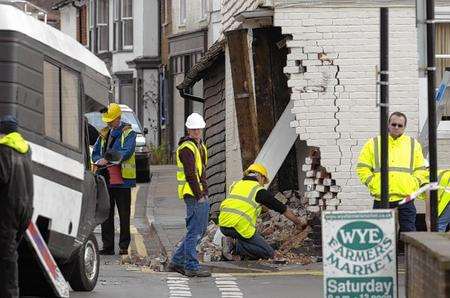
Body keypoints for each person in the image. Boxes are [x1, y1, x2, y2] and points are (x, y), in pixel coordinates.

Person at [357, 112, 428, 233]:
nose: (396, 127)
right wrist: (373, 184)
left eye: (400, 125)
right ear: (388, 125)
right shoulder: (374, 143)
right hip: (382, 196)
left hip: (406, 196)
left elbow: (421, 169)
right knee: (379, 233)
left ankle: (406, 253)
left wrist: (414, 184)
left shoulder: (413, 144)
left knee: (409, 232)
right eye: (393, 124)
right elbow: (362, 168)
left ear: (404, 127)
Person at [218, 163, 304, 261]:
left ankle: (231, 244)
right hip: (240, 227)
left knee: (250, 241)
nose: (263, 183)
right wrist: (298, 223)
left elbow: (244, 204)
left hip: (224, 225)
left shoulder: (236, 186)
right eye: (264, 180)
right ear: (261, 177)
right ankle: (236, 246)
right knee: (269, 253)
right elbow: (283, 209)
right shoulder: (258, 190)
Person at [167, 113, 210, 277]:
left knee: (200, 229)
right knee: (195, 231)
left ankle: (177, 262)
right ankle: (191, 266)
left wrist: (204, 192)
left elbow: (202, 172)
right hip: (193, 194)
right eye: (194, 129)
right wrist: (200, 195)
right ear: (189, 129)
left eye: (199, 128)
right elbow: (191, 174)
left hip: (200, 193)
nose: (197, 131)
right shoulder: (186, 148)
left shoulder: (199, 145)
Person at [92, 103, 136, 255]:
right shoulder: (104, 133)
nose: (109, 122)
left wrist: (106, 159)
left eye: (111, 120)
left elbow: (126, 152)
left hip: (123, 180)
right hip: (105, 178)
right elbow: (95, 153)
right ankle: (108, 246)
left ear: (118, 118)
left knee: (124, 215)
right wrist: (99, 160)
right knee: (106, 213)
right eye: (107, 120)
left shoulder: (129, 133)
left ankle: (124, 247)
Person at [0, 115, 34, 298]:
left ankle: (10, 294)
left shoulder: (4, 149)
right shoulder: (26, 150)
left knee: (7, 256)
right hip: (26, 208)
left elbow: (2, 177)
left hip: (8, 208)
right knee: (10, 252)